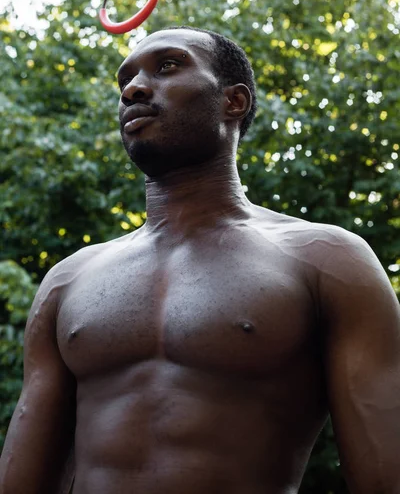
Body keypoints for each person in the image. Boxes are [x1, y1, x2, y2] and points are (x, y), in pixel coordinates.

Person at [0, 26, 399, 494]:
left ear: (234, 101)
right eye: (125, 80)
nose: (133, 88)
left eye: (168, 66)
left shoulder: (327, 260)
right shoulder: (68, 280)